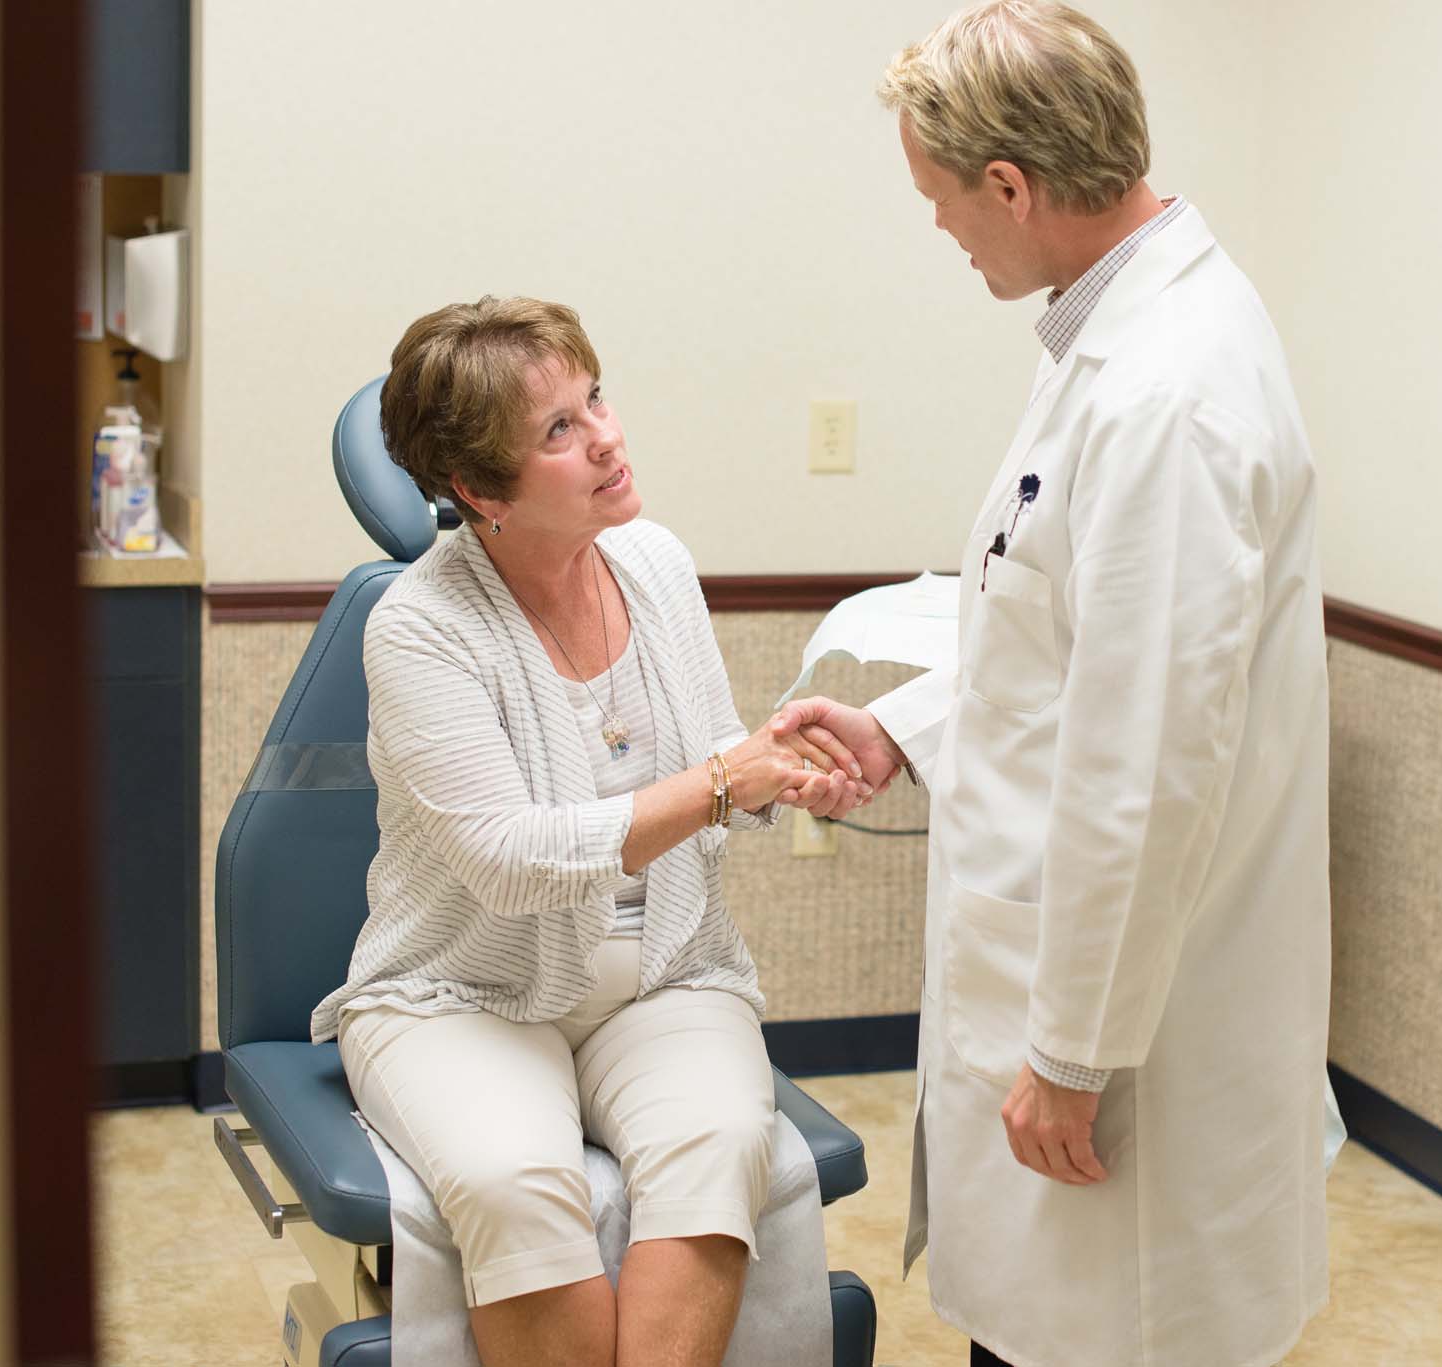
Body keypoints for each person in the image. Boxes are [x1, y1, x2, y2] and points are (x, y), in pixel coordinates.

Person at [773, 4, 1334, 1363]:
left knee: (1100, 1333)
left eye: (941, 199)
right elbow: (1055, 639)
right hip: (1086, 990)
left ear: (1011, 185)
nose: (943, 230)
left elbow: (1145, 763)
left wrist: (1073, 1052)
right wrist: (904, 728)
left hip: (1134, 1044)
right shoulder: (1115, 341)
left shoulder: (1164, 396)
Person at [311, 295, 869, 1367]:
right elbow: (512, 862)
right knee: (514, 1179)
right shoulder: (420, 626)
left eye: (593, 397)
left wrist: (782, 775)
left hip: (664, 971)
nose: (604, 435)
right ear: (479, 491)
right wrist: (721, 779)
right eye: (557, 429)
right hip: (459, 989)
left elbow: (712, 769)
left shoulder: (653, 562)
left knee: (717, 1145)